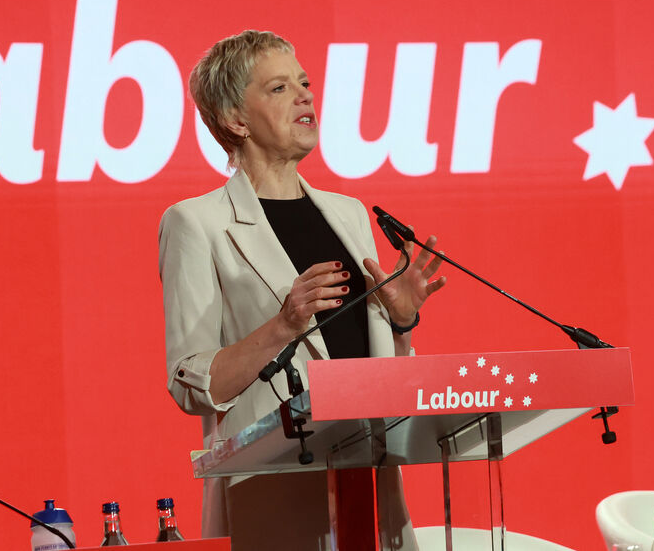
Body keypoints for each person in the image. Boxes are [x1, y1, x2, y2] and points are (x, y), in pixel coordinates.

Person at [159, 30, 447, 549]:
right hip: (275, 498)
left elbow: (378, 380)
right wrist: (283, 326)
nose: (304, 96)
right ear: (235, 119)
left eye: (305, 83)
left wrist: (401, 323)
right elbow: (190, 384)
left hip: (369, 488)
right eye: (278, 88)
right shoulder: (195, 224)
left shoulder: (349, 214)